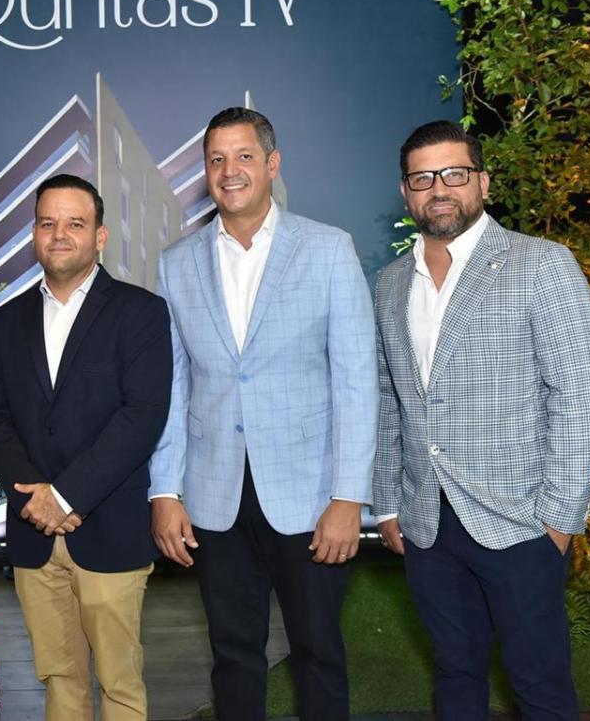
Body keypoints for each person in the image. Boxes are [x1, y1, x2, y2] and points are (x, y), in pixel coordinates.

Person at [149, 107, 377, 721]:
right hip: (213, 496)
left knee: (318, 652)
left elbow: (357, 381)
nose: (230, 171)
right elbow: (173, 385)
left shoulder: (328, 249)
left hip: (310, 496)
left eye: (244, 156)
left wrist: (348, 497)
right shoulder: (176, 262)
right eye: (217, 160)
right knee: (232, 655)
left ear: (272, 164)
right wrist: (165, 491)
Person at [373, 120, 590, 720]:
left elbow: (578, 396)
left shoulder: (541, 264)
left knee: (540, 686)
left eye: (454, 173)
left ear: (483, 182)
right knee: (455, 674)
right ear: (405, 192)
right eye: (423, 178)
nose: (439, 188)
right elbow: (389, 399)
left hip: (521, 521)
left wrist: (559, 520)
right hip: (427, 524)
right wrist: (390, 503)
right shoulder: (391, 283)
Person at [0, 174, 172, 721]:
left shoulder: (141, 312)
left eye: (75, 223)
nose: (59, 234)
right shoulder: (7, 319)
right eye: (48, 223)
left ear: (100, 236)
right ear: (34, 234)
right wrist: (33, 501)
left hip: (109, 528)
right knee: (59, 680)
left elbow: (142, 416)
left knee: (119, 683)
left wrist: (64, 497)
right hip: (33, 534)